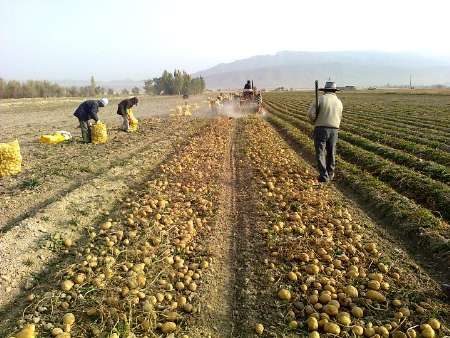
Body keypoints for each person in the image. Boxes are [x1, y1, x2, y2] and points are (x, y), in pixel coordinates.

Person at [308, 81, 343, 182]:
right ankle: (330, 174)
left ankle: (324, 176)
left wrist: (314, 120)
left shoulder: (320, 99)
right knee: (331, 152)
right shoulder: (339, 102)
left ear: (325, 90)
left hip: (321, 129)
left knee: (320, 152)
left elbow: (311, 114)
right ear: (334, 91)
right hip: (334, 130)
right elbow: (340, 117)